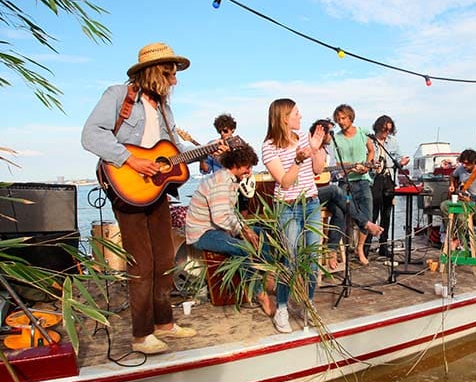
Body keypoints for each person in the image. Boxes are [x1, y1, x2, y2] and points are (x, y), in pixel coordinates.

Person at [82, 42, 200, 355]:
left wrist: (208, 150)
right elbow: (91, 134)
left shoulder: (164, 108)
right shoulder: (119, 96)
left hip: (156, 189)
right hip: (127, 186)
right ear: (154, 72)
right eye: (169, 73)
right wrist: (131, 161)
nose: (174, 81)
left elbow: (170, 153)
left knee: (164, 259)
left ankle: (164, 324)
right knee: (142, 263)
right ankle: (140, 334)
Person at [184, 143, 275, 317]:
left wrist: (246, 228)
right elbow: (220, 217)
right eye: (247, 167)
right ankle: (260, 294)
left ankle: (267, 274)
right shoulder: (221, 182)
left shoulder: (230, 180)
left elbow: (229, 213)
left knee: (261, 233)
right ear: (237, 165)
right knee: (243, 247)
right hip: (203, 233)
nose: (249, 172)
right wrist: (243, 231)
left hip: (216, 229)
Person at [262, 98, 326, 333]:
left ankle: (307, 304)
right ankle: (281, 309)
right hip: (288, 206)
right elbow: (286, 182)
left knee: (312, 260)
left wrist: (316, 149)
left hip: (311, 203)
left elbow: (318, 170)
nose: (300, 116)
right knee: (289, 261)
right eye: (296, 113)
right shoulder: (269, 146)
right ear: (284, 117)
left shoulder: (302, 140)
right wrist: (298, 159)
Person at [309, 119, 382, 271]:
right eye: (330, 132)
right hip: (310, 193)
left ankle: (332, 250)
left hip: (322, 193)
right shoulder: (309, 149)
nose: (332, 136)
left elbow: (333, 175)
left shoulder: (329, 153)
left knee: (339, 209)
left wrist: (350, 169)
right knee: (336, 190)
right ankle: (366, 223)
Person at [332, 104, 377, 265]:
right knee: (341, 214)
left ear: (351, 117)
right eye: (338, 120)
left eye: (343, 118)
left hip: (363, 179)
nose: (341, 122)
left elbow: (371, 150)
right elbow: (337, 162)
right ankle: (336, 250)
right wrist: (353, 166)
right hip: (346, 180)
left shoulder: (362, 132)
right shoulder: (336, 138)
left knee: (367, 213)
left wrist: (367, 164)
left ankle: (360, 248)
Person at [367, 115, 410, 258]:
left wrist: (403, 161)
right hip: (374, 179)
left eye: (389, 130)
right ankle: (366, 247)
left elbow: (398, 158)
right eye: (384, 129)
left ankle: (383, 245)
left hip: (389, 178)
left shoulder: (393, 142)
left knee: (387, 213)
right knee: (372, 214)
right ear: (379, 127)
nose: (386, 133)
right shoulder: (370, 141)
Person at [440, 149, 476, 250]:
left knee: (461, 216)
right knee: (444, 206)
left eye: (466, 164)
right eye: (462, 163)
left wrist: (471, 199)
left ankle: (459, 240)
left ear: (474, 162)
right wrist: (452, 185)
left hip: (473, 203)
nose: (464, 166)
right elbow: (452, 176)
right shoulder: (460, 169)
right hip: (459, 199)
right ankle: (451, 236)